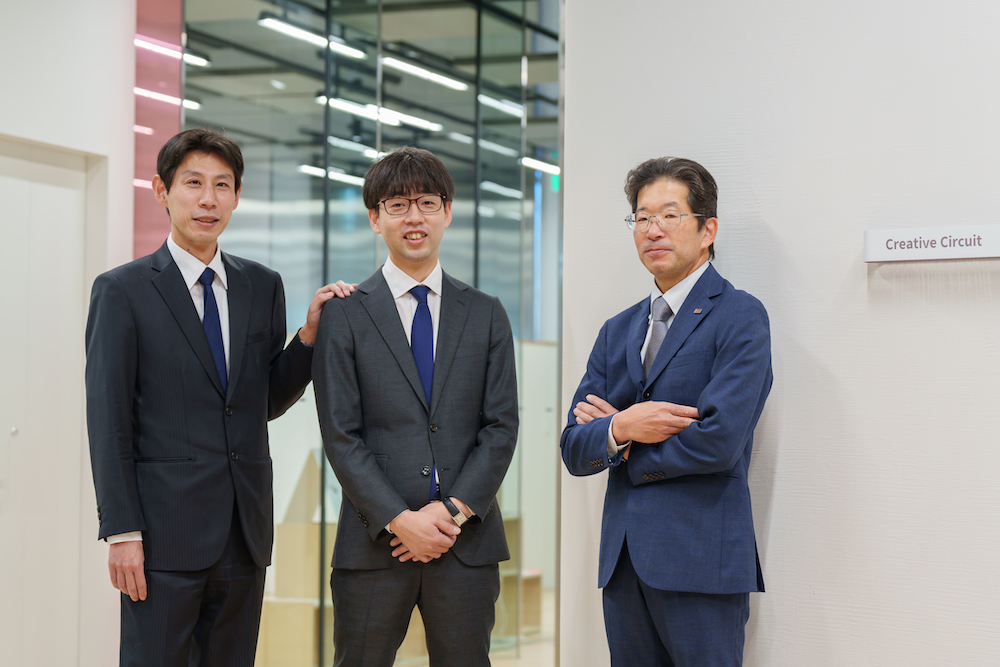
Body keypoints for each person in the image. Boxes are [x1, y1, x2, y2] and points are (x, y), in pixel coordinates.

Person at [85, 128, 354, 666]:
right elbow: (108, 420)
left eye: (222, 185)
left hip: (242, 532)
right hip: (162, 536)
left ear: (236, 196)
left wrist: (306, 339)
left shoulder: (263, 285)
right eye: (193, 183)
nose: (208, 199)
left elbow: (262, 402)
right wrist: (122, 531)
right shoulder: (123, 290)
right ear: (162, 191)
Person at [561, 156, 772, 666]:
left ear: (707, 229)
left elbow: (718, 441)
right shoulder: (618, 329)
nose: (652, 229)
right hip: (623, 563)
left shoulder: (740, 315)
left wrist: (617, 437)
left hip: (701, 560)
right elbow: (573, 446)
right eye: (641, 217)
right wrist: (626, 424)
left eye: (670, 215)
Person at [312, 146, 519, 667]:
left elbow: (500, 428)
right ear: (374, 219)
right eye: (397, 205)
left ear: (447, 213)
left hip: (465, 544)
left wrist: (451, 512)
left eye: (427, 202)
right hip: (374, 544)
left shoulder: (487, 314)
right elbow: (341, 435)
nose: (414, 217)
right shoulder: (345, 314)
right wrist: (399, 519)